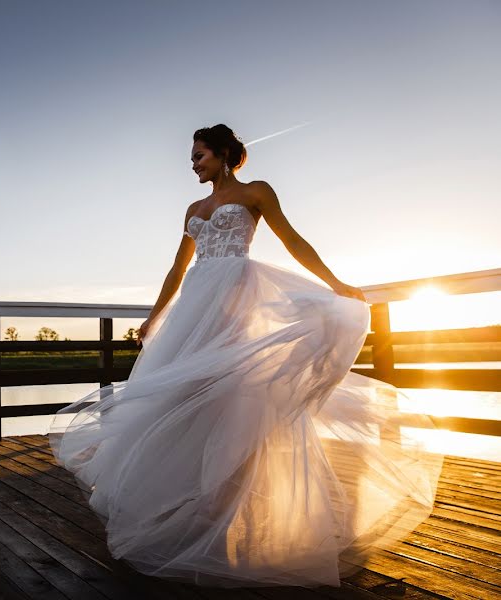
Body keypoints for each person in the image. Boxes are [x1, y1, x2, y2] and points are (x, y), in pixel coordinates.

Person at [49, 125, 443, 587]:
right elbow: (177, 269)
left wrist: (336, 284)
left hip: (236, 300)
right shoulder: (193, 210)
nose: (193, 164)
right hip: (196, 306)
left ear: (222, 155)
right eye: (192, 157)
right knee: (178, 399)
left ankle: (228, 514)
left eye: (199, 155)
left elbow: (293, 240)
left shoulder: (256, 192)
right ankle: (183, 510)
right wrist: (155, 318)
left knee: (235, 399)